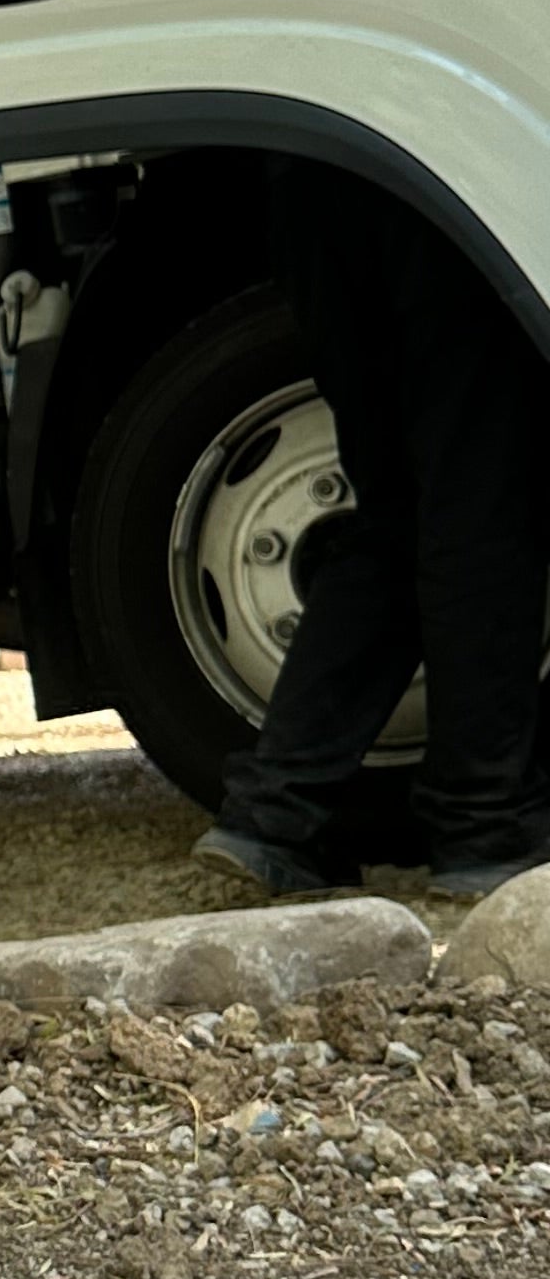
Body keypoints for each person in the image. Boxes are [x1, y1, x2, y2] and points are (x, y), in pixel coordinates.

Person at [196, 163, 550, 899]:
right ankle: (486, 821)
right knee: (478, 504)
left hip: (317, 159)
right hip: (452, 170)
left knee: (398, 516)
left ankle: (272, 815)